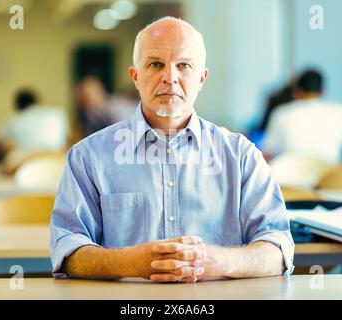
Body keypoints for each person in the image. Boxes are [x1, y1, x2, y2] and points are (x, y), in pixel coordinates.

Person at [50, 17, 294, 283]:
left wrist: (216, 261)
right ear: (135, 76)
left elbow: (277, 249)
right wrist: (131, 263)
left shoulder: (241, 156)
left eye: (184, 66)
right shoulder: (88, 157)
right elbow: (68, 250)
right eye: (156, 64)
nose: (170, 78)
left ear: (201, 78)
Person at [264, 69, 342, 164]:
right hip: (329, 177)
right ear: (322, 90)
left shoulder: (281, 114)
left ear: (296, 91)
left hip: (291, 177)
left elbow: (268, 154)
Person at [0, 89, 69, 155]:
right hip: (58, 157)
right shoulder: (57, 113)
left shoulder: (14, 119)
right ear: (37, 102)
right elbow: (68, 138)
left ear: (17, 106)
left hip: (29, 159)